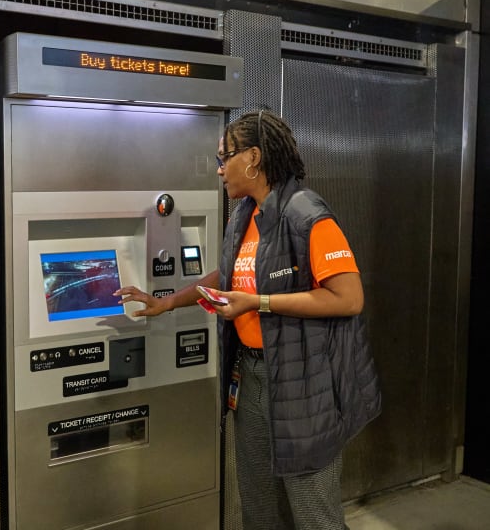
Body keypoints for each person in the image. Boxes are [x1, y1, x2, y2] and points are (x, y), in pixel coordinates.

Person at [114, 110, 381, 530]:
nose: (220, 169)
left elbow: (348, 299)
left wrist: (260, 302)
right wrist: (167, 303)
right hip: (251, 375)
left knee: (314, 516)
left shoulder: (306, 214)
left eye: (225, 157)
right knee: (259, 508)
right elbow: (227, 272)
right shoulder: (243, 214)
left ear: (253, 158)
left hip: (303, 384)